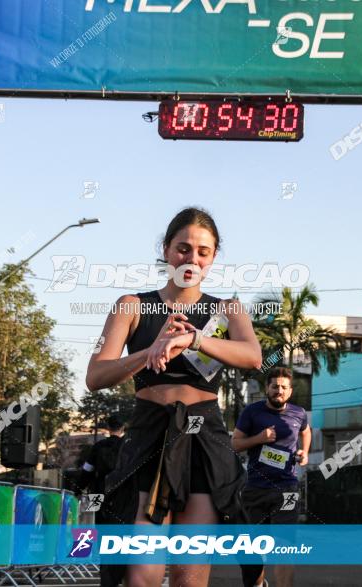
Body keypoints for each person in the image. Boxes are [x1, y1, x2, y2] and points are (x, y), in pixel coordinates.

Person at [86, 206, 263, 587]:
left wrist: (195, 339)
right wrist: (148, 351)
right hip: (149, 433)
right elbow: (95, 375)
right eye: (183, 248)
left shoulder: (227, 310)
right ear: (166, 249)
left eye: (203, 251)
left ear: (214, 256)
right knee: (140, 575)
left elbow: (253, 356)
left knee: (189, 575)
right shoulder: (132, 306)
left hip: (203, 438)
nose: (192, 258)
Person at [232, 366, 310, 587]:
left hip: (287, 488)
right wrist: (258, 438)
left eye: (284, 387)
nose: (279, 390)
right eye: (275, 386)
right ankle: (257, 584)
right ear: (267, 388)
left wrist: (304, 451)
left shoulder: (298, 413)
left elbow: (306, 431)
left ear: (290, 391)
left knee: (285, 546)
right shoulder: (252, 412)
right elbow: (235, 444)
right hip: (255, 488)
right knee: (254, 550)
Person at [76, 415, 125, 525]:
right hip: (120, 493)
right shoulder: (126, 447)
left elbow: (87, 470)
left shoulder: (98, 446)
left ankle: (93, 542)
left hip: (97, 491)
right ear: (122, 428)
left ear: (108, 428)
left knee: (92, 521)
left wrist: (77, 489)